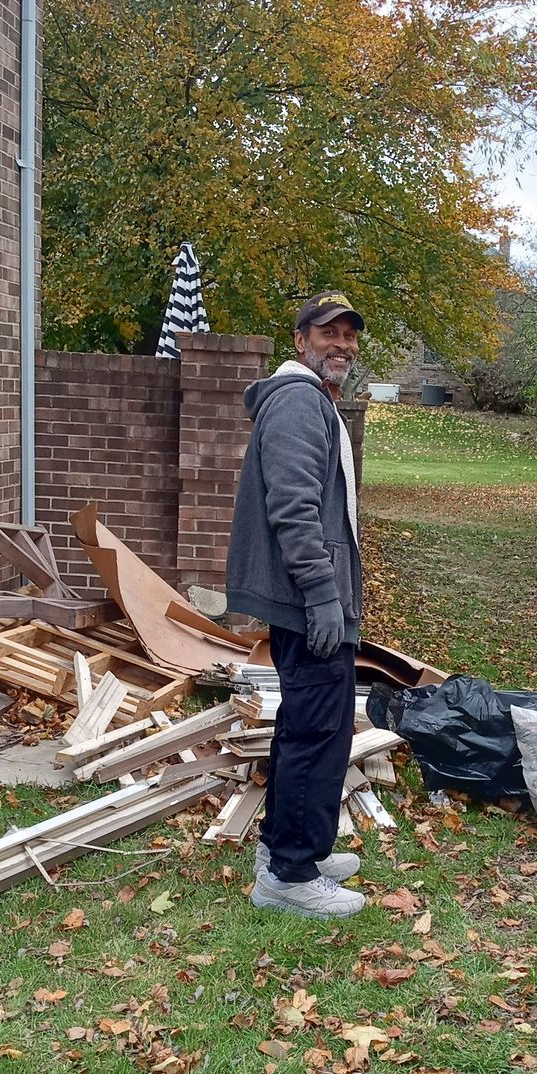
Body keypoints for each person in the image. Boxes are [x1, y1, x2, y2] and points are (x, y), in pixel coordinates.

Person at [226, 292, 368, 918]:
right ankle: (288, 875)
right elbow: (293, 508)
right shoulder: (297, 403)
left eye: (349, 335)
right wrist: (322, 596)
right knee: (316, 731)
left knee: (310, 726)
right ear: (300, 340)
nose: (341, 345)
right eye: (328, 333)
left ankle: (290, 853)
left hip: (310, 599)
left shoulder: (313, 403)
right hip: (308, 602)